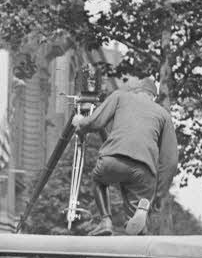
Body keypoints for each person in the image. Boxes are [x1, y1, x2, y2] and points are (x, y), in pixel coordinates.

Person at [72, 73, 178, 236]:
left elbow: (96, 122)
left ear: (136, 91)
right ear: (153, 97)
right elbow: (170, 161)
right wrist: (159, 194)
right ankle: (139, 221)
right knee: (135, 219)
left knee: (98, 180)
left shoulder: (120, 97)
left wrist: (80, 123)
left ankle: (105, 221)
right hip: (144, 170)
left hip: (113, 159)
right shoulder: (163, 114)